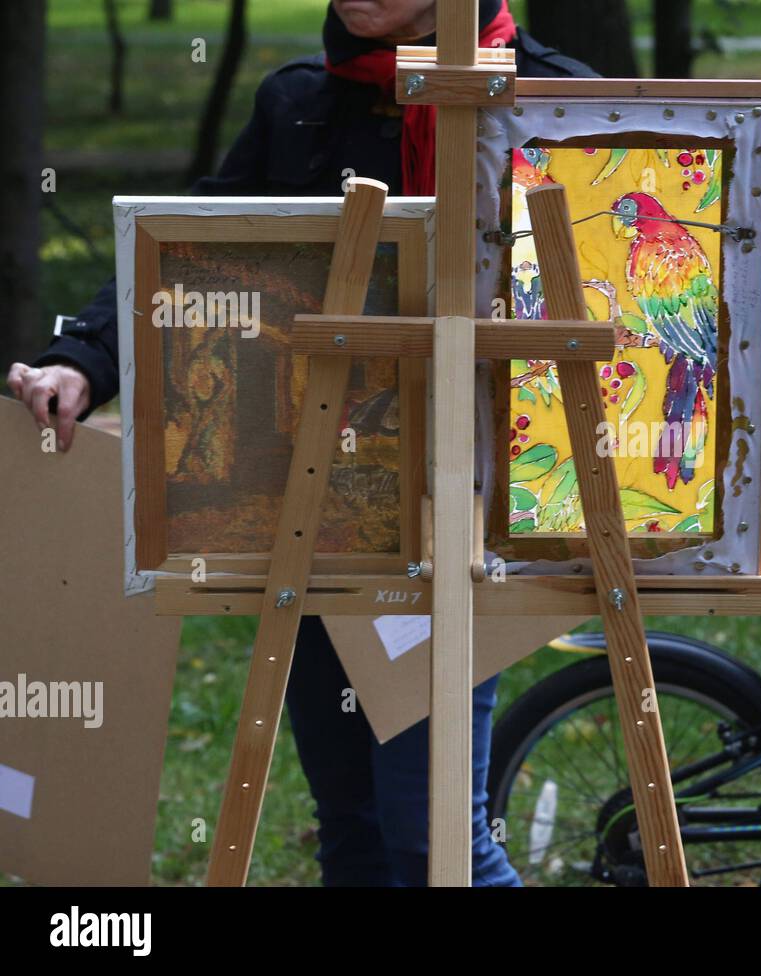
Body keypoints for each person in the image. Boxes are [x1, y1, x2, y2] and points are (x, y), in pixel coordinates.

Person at [6, 0, 596, 887]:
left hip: (486, 513)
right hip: (321, 505)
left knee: (433, 837)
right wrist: (83, 358)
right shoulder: (303, 105)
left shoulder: (563, 103)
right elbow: (190, 244)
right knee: (351, 823)